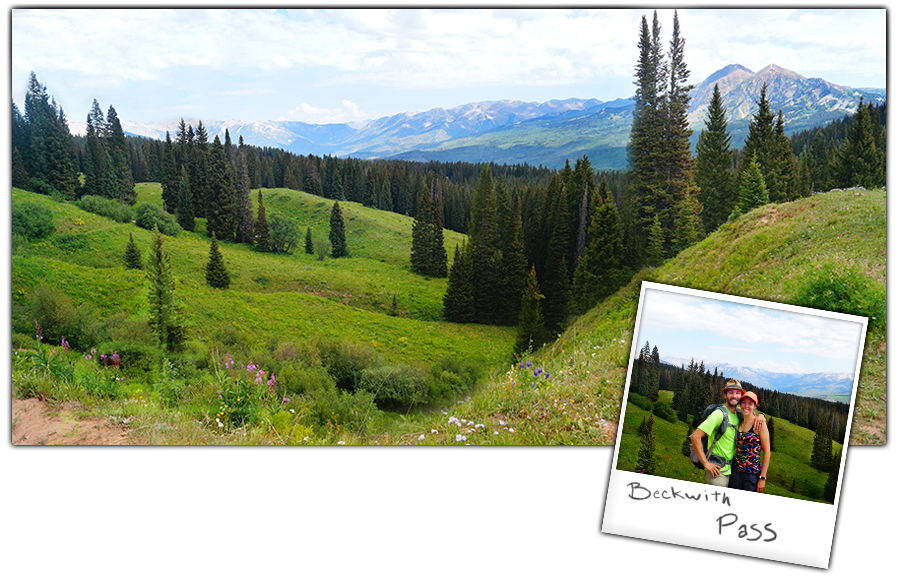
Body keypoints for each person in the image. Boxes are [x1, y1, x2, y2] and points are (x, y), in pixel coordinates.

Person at [689, 379, 765, 487]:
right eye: (731, 392)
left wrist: (761, 415)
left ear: (740, 396)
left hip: (730, 470)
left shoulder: (738, 414)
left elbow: (750, 410)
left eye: (737, 393)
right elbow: (695, 437)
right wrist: (706, 463)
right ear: (725, 395)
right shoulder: (719, 414)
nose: (734, 396)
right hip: (716, 471)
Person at [729, 391, 770, 493]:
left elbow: (767, 451)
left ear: (755, 406)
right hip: (735, 471)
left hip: (751, 476)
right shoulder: (739, 421)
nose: (746, 406)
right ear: (740, 404)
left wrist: (762, 477)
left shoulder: (759, 424)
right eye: (744, 402)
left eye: (750, 403)